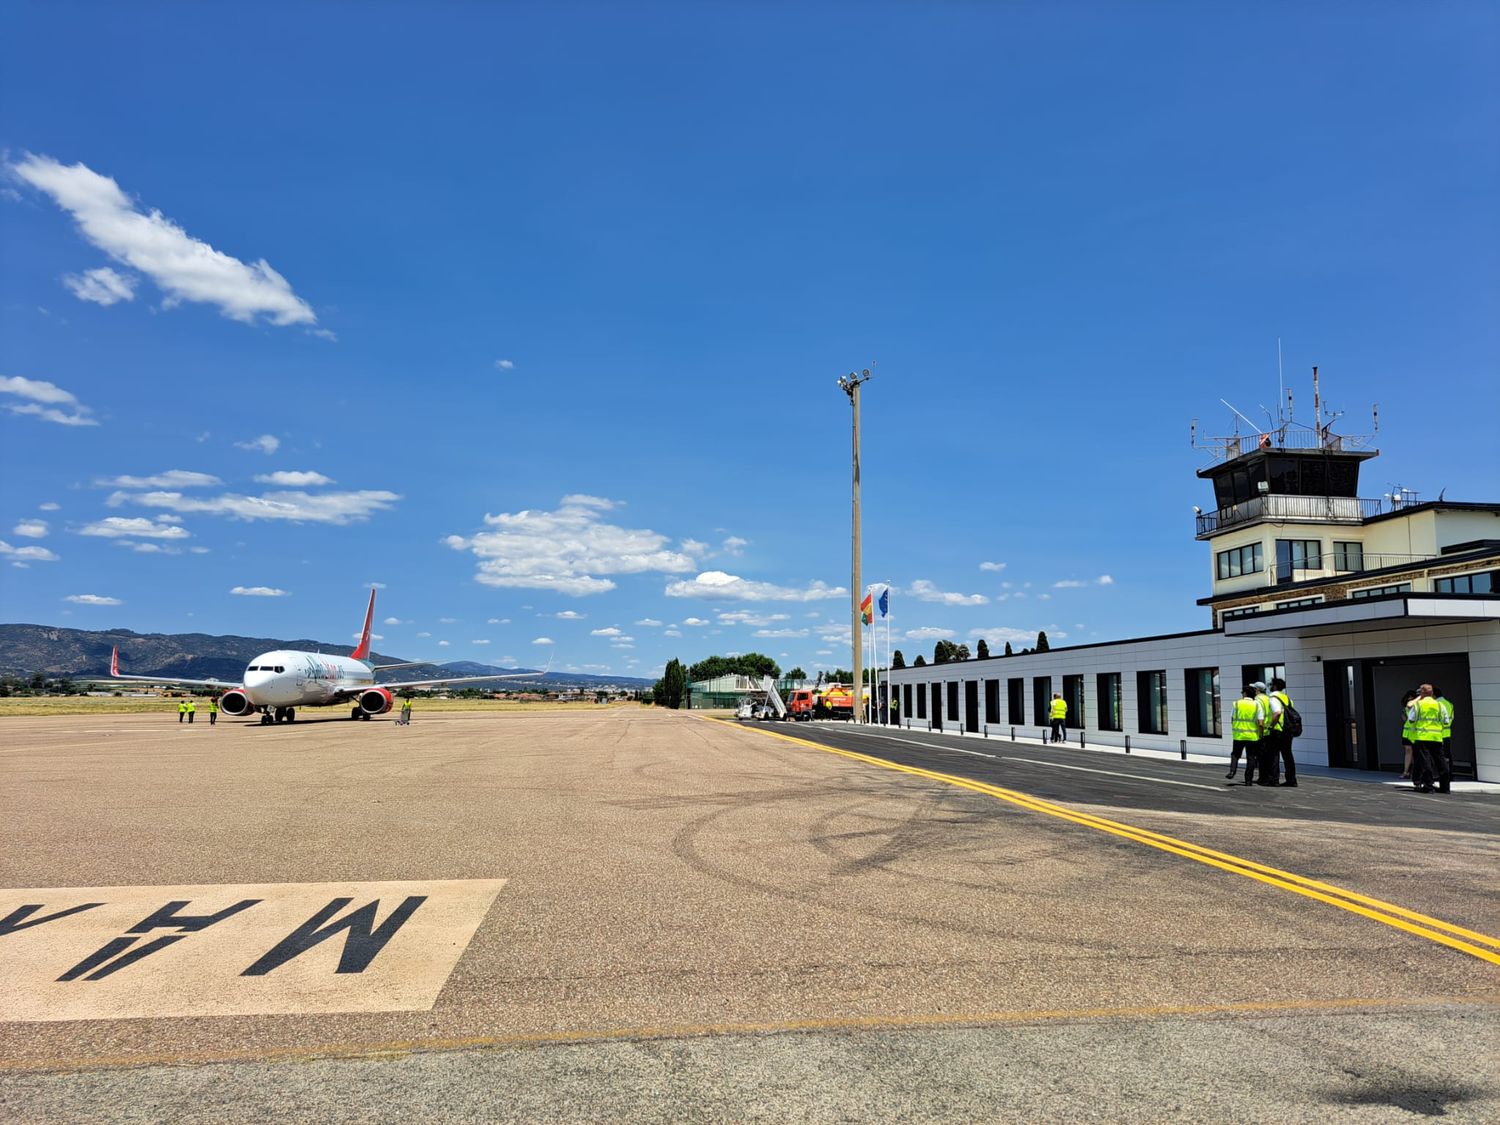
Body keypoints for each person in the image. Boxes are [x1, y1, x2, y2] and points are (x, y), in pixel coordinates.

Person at [1411, 683, 1451, 794]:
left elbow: (1411, 719)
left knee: (1425, 762)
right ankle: (1445, 787)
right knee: (1441, 762)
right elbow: (1446, 721)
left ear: (1422, 693)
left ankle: (1428, 786)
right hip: (1437, 737)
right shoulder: (1439, 705)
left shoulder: (1418, 705)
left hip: (1422, 737)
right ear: (1432, 693)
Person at [1227, 683, 1266, 784]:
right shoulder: (1257, 705)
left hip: (1238, 735)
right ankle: (1248, 780)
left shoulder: (1236, 704)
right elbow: (1261, 723)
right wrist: (1261, 734)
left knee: (1235, 754)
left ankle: (1232, 771)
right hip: (1252, 737)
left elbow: (1232, 718)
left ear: (1245, 693)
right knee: (1251, 757)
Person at [1267, 677, 1297, 787]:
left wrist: (1271, 726)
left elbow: (1277, 713)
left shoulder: (1273, 698)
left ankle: (1274, 780)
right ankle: (1291, 779)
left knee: (1274, 755)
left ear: (1274, 686)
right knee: (1288, 755)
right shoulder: (1288, 699)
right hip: (1288, 731)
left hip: (1278, 730)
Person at [1399, 690, 1418, 779]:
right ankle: (1406, 771)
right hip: (1407, 733)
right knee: (1409, 751)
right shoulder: (1405, 709)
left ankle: (1413, 771)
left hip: (1415, 732)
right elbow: (1405, 719)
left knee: (1415, 752)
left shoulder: (1418, 707)